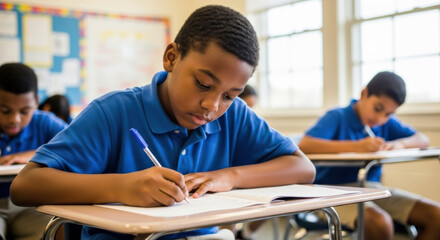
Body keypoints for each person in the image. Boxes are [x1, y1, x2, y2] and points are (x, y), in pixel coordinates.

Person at [10, 5, 315, 240]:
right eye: (203, 84)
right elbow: (25, 187)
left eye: (230, 95)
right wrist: (122, 186)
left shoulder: (234, 115)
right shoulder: (113, 112)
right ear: (171, 57)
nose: (212, 106)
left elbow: (302, 168)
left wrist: (230, 176)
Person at [298, 71, 440, 240]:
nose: (380, 118)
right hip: (329, 191)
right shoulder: (337, 116)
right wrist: (356, 146)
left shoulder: (386, 123)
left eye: (388, 114)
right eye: (378, 109)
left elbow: (422, 139)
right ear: (364, 93)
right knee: (380, 223)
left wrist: (400, 144)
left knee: (436, 216)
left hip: (371, 188)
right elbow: (305, 145)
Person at [0, 63, 67, 240]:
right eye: (4, 110)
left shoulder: (46, 123)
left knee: (55, 229)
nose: (14, 119)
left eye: (24, 111)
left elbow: (78, 148)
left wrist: (33, 154)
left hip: (31, 207)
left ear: (36, 102)